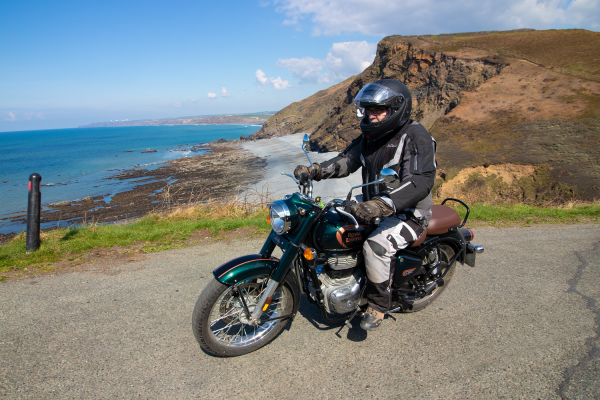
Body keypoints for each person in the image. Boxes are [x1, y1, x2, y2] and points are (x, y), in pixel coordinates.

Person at [294, 79, 437, 331]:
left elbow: (419, 182)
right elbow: (346, 161)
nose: (370, 116)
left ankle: (378, 305)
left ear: (396, 110)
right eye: (368, 110)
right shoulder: (371, 136)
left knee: (375, 246)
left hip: (409, 212)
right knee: (331, 218)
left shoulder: (416, 137)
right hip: (373, 204)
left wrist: (381, 206)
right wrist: (315, 170)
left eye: (377, 110)